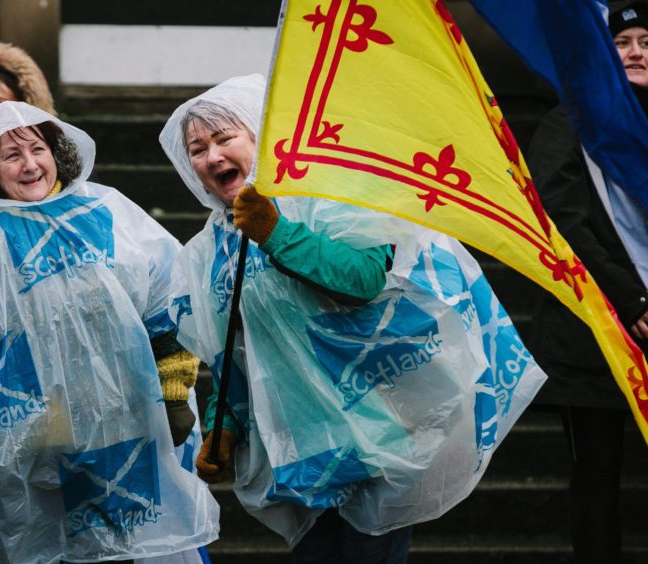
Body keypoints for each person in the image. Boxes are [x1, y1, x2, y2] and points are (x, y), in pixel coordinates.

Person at [160, 75, 547, 564]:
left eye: (224, 138)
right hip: (300, 449)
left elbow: (364, 277)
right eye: (197, 148)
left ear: (261, 135)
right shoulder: (212, 249)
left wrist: (277, 234)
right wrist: (226, 425)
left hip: (378, 433)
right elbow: (236, 350)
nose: (212, 157)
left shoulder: (332, 194)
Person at [0, 101, 218, 563]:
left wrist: (174, 392)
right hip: (24, 441)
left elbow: (169, 299)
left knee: (124, 550)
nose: (30, 164)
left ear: (57, 153)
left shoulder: (106, 208)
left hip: (121, 431)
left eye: (38, 148)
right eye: (12, 155)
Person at [525, 2, 648, 562]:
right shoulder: (566, 122)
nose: (636, 51)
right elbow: (559, 216)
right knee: (596, 476)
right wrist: (631, 297)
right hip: (592, 334)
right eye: (622, 43)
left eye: (647, 41)